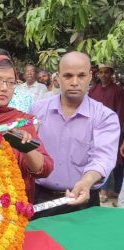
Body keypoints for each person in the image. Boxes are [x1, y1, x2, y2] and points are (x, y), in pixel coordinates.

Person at [31, 52, 120, 218]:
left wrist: (86, 183)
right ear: (57, 78)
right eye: (68, 76)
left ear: (90, 77)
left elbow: (103, 158)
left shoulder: (104, 116)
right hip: (39, 198)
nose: (74, 82)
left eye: (81, 76)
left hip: (83, 200)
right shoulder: (37, 110)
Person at [0, 55, 53, 203]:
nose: (4, 88)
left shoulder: (20, 122)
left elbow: (44, 169)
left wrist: (25, 147)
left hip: (14, 209)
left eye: (10, 82)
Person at [88, 64, 124, 202]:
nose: (103, 75)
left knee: (117, 161)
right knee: (99, 157)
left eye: (106, 72)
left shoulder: (118, 90)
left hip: (114, 130)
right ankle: (102, 189)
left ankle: (115, 190)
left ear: (111, 74)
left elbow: (120, 111)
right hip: (95, 130)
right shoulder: (94, 90)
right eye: (101, 72)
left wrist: (120, 132)